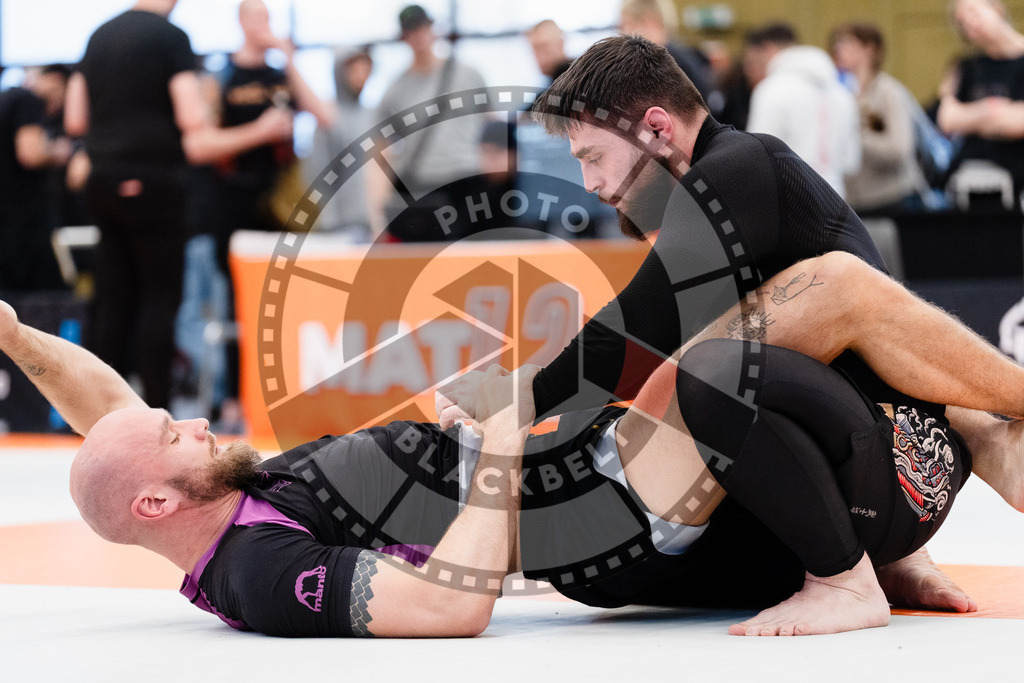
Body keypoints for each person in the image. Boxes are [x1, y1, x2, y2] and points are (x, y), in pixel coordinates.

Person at [5, 276, 1017, 637]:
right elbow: (452, 607)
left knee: (833, 293)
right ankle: (867, 553)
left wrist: (14, 338)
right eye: (180, 435)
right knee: (743, 353)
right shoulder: (255, 568)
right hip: (592, 516)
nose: (197, 421)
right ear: (152, 505)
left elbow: (112, 414)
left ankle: (975, 437)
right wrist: (489, 437)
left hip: (566, 459)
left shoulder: (214, 484)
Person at [441, 34, 1024, 632]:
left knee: (724, 358)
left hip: (893, 466)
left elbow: (638, 329)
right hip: (859, 483)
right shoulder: (700, 198)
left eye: (591, 155)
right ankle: (892, 551)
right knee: (708, 386)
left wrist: (522, 398)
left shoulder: (742, 167)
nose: (587, 182)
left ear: (656, 127)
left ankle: (871, 557)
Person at [64, 0, 292, 410]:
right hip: (155, 182)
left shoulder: (98, 36)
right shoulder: (170, 37)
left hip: (102, 181)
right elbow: (191, 119)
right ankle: (156, 412)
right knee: (159, 299)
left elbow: (75, 120)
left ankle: (92, 414)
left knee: (112, 298)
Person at [371, 4, 487, 242]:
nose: (419, 37)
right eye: (411, 32)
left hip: (466, 180)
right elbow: (380, 150)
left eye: (422, 28)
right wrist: (378, 209)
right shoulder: (396, 89)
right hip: (421, 186)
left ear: (433, 29)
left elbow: (491, 124)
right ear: (403, 37)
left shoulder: (468, 75)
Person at [744, 23, 861, 198]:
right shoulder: (841, 93)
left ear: (767, 50)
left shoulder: (771, 90)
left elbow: (756, 160)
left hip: (788, 203)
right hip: (836, 202)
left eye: (750, 62)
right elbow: (851, 162)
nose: (748, 71)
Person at [829, 22, 928, 214]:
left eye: (848, 43)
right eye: (837, 43)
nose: (838, 49)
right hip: (854, 203)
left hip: (892, 199)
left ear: (870, 49)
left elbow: (899, 149)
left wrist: (854, 137)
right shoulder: (839, 94)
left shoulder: (887, 91)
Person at [937, 0, 1024, 203]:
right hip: (970, 181)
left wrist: (971, 119)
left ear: (997, 9)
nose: (970, 24)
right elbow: (948, 120)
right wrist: (993, 108)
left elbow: (1018, 124)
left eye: (974, 13)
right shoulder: (966, 66)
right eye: (963, 22)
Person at [0, 68, 73, 291]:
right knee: (44, 301)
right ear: (56, 80)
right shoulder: (26, 99)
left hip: (7, 221)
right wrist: (60, 151)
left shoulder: (5, 100)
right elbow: (30, 153)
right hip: (23, 224)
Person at [303, 47, 374, 236]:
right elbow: (317, 171)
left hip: (369, 220)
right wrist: (327, 220)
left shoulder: (371, 115)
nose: (361, 77)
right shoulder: (327, 116)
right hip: (337, 224)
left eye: (365, 70)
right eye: (355, 70)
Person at [619, 0, 715, 102]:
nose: (622, 33)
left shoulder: (665, 63)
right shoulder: (683, 55)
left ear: (649, 20)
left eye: (626, 24)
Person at [526, 20, 574, 85]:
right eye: (535, 50)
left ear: (561, 44)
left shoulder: (582, 74)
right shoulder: (544, 89)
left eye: (543, 47)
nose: (539, 56)